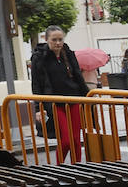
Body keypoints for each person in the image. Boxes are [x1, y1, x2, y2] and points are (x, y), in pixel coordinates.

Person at [29, 25, 90, 162]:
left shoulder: (68, 53)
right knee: (66, 140)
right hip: (54, 103)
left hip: (74, 100)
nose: (58, 43)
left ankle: (78, 168)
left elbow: (78, 77)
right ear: (46, 39)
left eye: (60, 39)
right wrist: (39, 108)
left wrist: (89, 96)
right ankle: (60, 167)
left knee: (75, 140)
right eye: (54, 39)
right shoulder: (39, 57)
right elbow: (36, 84)